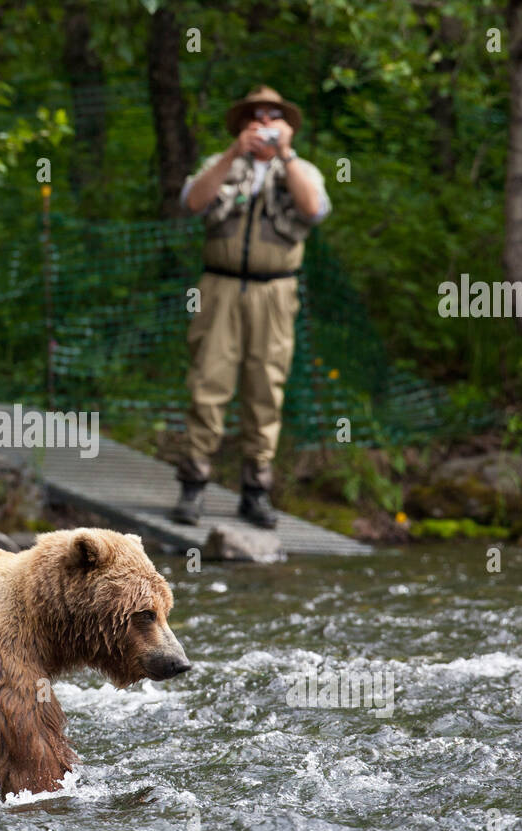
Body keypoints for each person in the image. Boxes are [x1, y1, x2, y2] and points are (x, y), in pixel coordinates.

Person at [171, 85, 332, 528]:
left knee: (266, 390)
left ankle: (256, 491)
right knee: (208, 384)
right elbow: (193, 202)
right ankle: (193, 487)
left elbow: (314, 208)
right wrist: (230, 155)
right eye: (254, 118)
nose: (262, 126)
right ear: (242, 125)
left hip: (275, 293)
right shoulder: (220, 164)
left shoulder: (303, 169)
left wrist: (287, 155)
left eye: (271, 118)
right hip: (219, 288)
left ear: (286, 125)